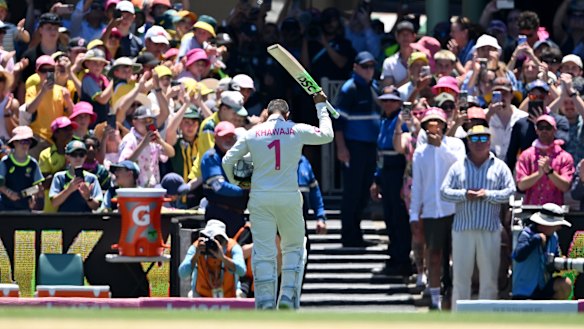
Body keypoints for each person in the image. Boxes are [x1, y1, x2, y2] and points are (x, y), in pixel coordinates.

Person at [222, 92, 333, 309]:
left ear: (267, 113)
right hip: (289, 196)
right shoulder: (296, 129)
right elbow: (327, 135)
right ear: (286, 114)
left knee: (264, 252)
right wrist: (321, 107)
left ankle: (264, 303)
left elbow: (228, 160)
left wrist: (238, 182)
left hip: (260, 197)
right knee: (294, 247)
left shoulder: (253, 133)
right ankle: (287, 297)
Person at [441, 125, 516, 309]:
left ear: (490, 141)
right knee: (460, 278)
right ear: (468, 142)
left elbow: (510, 192)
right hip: (462, 229)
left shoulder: (499, 166)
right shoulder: (458, 167)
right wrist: (464, 195)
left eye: (483, 139)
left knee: (489, 278)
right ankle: (459, 320)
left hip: (489, 229)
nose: (479, 143)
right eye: (474, 139)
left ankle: (486, 320)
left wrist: (488, 195)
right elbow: (444, 192)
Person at [410, 108, 466, 310]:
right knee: (433, 256)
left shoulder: (456, 145)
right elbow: (417, 185)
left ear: (444, 125)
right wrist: (414, 214)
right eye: (429, 124)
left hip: (455, 209)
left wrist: (440, 146)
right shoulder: (420, 152)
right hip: (433, 211)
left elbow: (459, 166)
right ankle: (435, 300)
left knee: (456, 256)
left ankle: (454, 296)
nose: (434, 127)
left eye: (438, 123)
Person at [335, 51, 380, 248]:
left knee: (364, 191)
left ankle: (357, 232)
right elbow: (338, 122)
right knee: (353, 191)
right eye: (365, 66)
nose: (369, 70)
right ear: (355, 67)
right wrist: (341, 147)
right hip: (354, 146)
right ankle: (348, 234)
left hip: (371, 146)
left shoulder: (374, 87)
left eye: (371, 66)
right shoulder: (349, 88)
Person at [369, 88, 411, 275]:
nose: (388, 104)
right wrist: (376, 179)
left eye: (392, 100)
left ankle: (402, 259)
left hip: (398, 173)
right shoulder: (384, 120)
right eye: (384, 100)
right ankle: (394, 256)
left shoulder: (402, 122)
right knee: (390, 217)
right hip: (386, 174)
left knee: (400, 218)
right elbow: (379, 156)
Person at [512, 203, 573, 300]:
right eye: (557, 224)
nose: (559, 228)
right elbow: (518, 256)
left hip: (544, 285)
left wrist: (559, 262)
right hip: (524, 290)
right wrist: (536, 240)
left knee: (565, 284)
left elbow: (553, 261)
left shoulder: (554, 237)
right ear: (545, 224)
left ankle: (553, 314)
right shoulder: (526, 234)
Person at [201, 121, 248, 237]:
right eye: (224, 136)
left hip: (238, 216)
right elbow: (218, 186)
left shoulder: (239, 158)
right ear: (215, 138)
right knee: (219, 253)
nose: (229, 140)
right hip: (219, 216)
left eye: (231, 137)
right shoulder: (211, 157)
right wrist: (245, 191)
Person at [178, 219, 246, 298]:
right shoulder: (198, 246)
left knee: (240, 295)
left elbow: (242, 271)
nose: (214, 243)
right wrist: (196, 255)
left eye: (219, 239)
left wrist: (223, 258)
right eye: (210, 238)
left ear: (225, 241)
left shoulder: (233, 247)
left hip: (229, 296)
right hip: (201, 296)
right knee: (191, 295)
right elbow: (182, 273)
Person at [516, 115, 574, 206]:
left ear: (554, 130)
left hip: (555, 211)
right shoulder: (526, 155)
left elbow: (565, 186)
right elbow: (521, 185)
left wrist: (549, 171)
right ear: (536, 131)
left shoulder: (564, 157)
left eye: (548, 128)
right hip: (531, 209)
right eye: (541, 128)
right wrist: (539, 174)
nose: (544, 131)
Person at [49, 140, 103, 212]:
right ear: (67, 157)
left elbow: (96, 206)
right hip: (65, 221)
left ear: (85, 157)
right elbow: (54, 203)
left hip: (85, 221)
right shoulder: (59, 177)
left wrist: (88, 197)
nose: (78, 158)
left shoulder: (92, 178)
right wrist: (69, 190)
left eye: (81, 154)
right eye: (74, 154)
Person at [0, 126, 43, 211]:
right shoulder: (5, 161)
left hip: (25, 208)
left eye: (28, 142)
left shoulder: (33, 163)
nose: (25, 145)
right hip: (5, 208)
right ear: (14, 142)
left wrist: (26, 194)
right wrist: (9, 193)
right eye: (22, 141)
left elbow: (38, 187)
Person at [380, 20, 416, 87]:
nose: (405, 37)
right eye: (402, 34)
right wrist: (407, 79)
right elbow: (387, 90)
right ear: (397, 37)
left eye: (408, 34)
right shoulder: (389, 62)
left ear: (414, 36)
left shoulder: (422, 59)